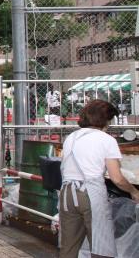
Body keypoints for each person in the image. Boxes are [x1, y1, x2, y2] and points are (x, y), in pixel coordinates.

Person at [59, 100, 139, 258]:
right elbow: (117, 178)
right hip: (90, 194)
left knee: (69, 248)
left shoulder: (71, 138)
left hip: (67, 194)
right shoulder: (106, 140)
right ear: (106, 120)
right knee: (102, 248)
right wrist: (133, 191)